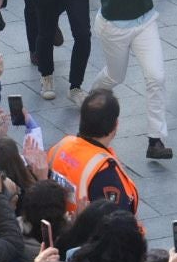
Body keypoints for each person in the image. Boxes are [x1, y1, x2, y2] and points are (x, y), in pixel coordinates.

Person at [93, 0, 176, 160]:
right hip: (115, 26)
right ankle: (93, 98)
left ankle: (156, 140)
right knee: (115, 76)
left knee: (156, 77)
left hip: (145, 20)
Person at [46, 89, 140, 217]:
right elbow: (118, 227)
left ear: (81, 119)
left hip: (60, 227)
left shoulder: (60, 146)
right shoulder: (105, 172)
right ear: (115, 125)